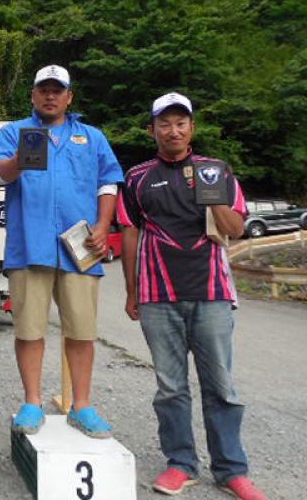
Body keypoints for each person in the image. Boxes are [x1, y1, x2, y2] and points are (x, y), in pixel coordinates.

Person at [118, 93, 267, 500]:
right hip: (157, 293)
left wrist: (214, 195)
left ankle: (231, 470)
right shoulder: (136, 177)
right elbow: (130, 231)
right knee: (170, 387)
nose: (173, 130)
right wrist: (131, 291)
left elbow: (235, 229)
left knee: (221, 386)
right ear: (152, 130)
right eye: (164, 123)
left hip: (213, 292)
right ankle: (180, 464)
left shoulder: (215, 171)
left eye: (181, 122)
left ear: (192, 128)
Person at [0, 64, 123, 437]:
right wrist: (21, 157)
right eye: (42, 90)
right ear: (32, 95)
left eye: (57, 90)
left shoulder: (92, 137)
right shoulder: (14, 131)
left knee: (82, 330)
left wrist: (102, 226)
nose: (50, 96)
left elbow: (109, 184)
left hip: (81, 248)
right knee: (30, 329)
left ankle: (82, 405)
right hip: (29, 245)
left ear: (69, 97)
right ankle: (31, 403)